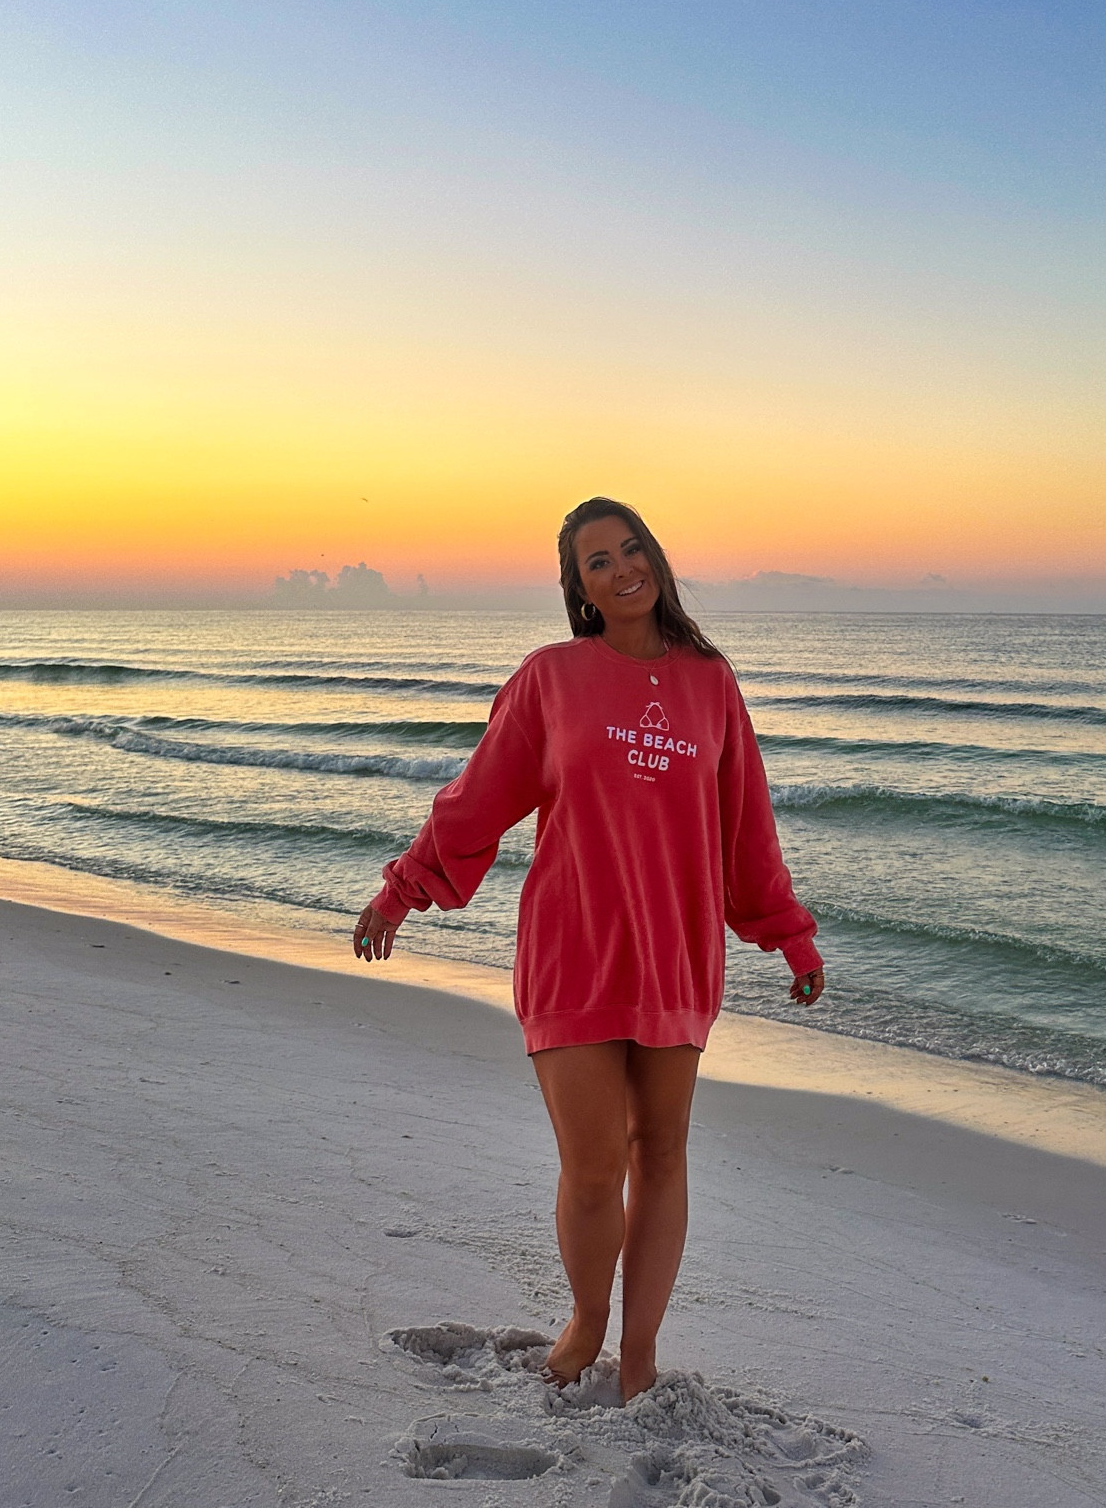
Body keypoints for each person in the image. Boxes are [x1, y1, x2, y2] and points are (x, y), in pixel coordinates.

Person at [353, 496, 825, 1401]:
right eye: (597, 562)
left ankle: (640, 1353)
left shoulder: (710, 682)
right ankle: (588, 1320)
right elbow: (478, 798)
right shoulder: (552, 679)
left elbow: (745, 830)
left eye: (630, 548)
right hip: (574, 949)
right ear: (581, 589)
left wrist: (788, 934)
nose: (621, 569)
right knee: (595, 1161)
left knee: (664, 1155)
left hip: (677, 954)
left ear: (656, 556)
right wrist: (401, 890)